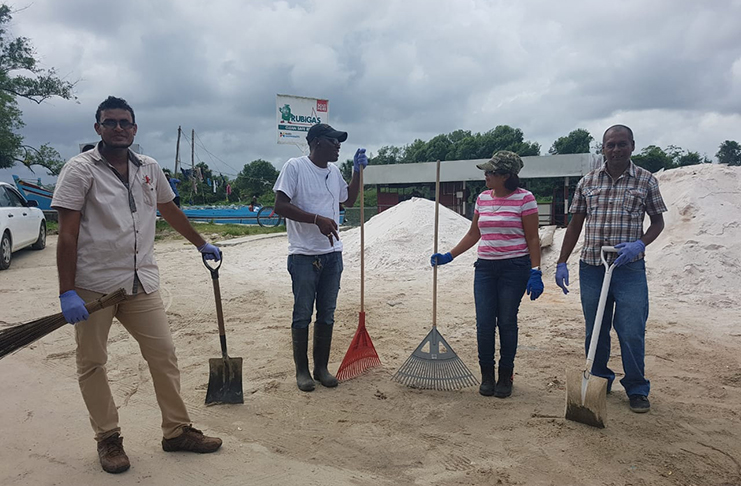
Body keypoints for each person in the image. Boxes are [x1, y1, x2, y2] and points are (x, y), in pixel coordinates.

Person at [52, 96, 223, 474]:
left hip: (141, 280)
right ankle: (108, 438)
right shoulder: (79, 170)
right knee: (93, 363)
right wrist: (67, 290)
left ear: (134, 128)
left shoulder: (149, 167)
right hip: (94, 286)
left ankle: (176, 431)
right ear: (97, 128)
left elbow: (169, 209)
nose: (118, 128)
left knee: (164, 353)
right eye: (109, 122)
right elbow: (67, 235)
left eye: (124, 122)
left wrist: (201, 243)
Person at [555, 124, 666, 414]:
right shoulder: (588, 182)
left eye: (621, 144)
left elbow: (657, 223)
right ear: (602, 148)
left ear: (632, 145)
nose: (616, 150)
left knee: (631, 330)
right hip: (592, 266)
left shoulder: (646, 181)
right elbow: (575, 224)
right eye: (610, 145)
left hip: (628, 269)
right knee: (596, 330)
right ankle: (600, 381)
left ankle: (637, 387)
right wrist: (562, 261)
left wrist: (639, 245)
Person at [431, 151, 543, 398]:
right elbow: (474, 234)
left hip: (514, 268)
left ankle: (506, 375)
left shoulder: (525, 199)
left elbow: (533, 237)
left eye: (491, 172)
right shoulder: (482, 198)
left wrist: (536, 271)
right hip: (485, 269)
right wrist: (449, 255)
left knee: (506, 321)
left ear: (505, 175)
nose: (486, 175)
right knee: (484, 323)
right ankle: (487, 375)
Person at [273, 123, 366, 392]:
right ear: (316, 142)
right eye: (333, 140)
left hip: (331, 255)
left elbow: (347, 200)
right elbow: (280, 205)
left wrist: (357, 172)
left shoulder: (334, 171)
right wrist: (316, 220)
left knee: (326, 313)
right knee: (302, 314)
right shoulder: (295, 167)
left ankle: (321, 368)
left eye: (340, 142)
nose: (338, 146)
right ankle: (302, 371)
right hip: (303, 255)